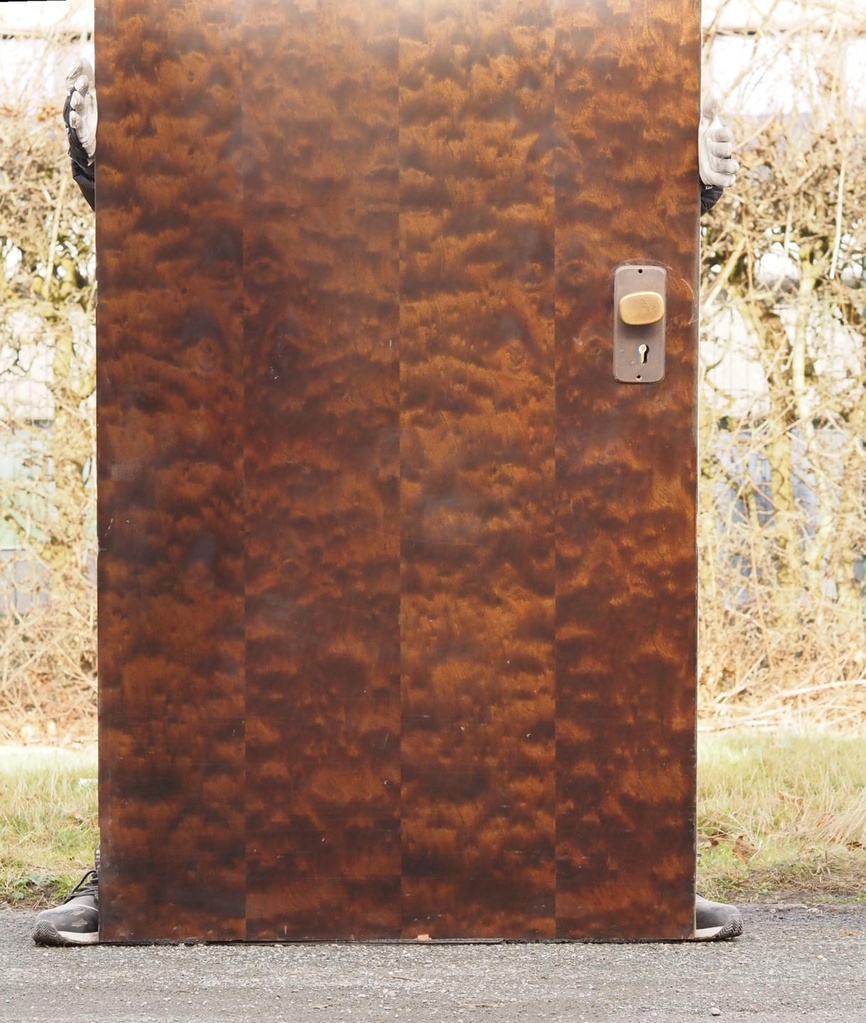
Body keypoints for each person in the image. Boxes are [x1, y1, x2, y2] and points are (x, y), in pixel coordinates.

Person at [32, 59, 743, 947]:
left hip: (481, 362)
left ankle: (624, 867)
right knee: (205, 619)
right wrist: (102, 154)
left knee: (552, 614)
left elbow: (571, 174)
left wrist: (688, 184)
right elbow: (185, 207)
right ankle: (147, 869)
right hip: (266, 357)